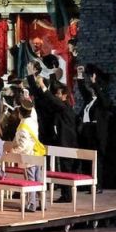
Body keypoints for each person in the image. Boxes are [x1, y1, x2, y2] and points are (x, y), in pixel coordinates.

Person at [27, 67, 77, 202]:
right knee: (62, 167)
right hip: (59, 139)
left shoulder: (64, 107)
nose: (57, 96)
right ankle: (65, 194)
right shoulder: (58, 106)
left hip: (67, 142)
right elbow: (42, 96)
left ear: (65, 96)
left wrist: (43, 85)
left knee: (66, 168)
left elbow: (50, 98)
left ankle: (67, 196)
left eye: (59, 94)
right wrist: (31, 76)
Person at [13, 100, 47, 211]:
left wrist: (14, 151)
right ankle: (42, 204)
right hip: (37, 154)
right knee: (38, 180)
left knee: (30, 181)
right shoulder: (32, 120)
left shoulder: (23, 126)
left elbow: (23, 145)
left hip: (29, 156)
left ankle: (31, 204)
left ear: (20, 113)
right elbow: (33, 111)